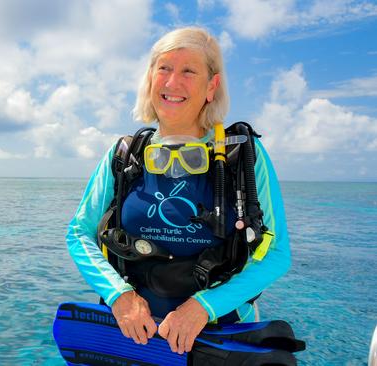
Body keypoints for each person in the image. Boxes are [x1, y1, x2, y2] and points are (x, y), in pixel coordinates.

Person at [65, 27, 291, 356]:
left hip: (218, 337)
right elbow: (79, 234)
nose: (173, 82)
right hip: (132, 337)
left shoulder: (242, 155)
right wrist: (119, 295)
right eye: (164, 68)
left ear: (211, 86)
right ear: (150, 78)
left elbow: (276, 254)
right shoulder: (125, 154)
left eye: (189, 71)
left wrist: (204, 307)